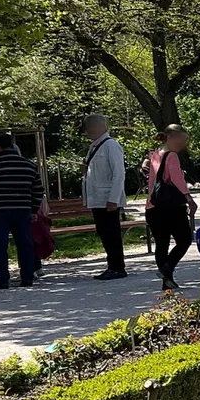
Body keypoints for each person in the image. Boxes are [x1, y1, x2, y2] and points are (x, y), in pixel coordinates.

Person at [0, 133, 47, 289]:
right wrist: (33, 209)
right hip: (22, 211)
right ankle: (27, 277)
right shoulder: (28, 165)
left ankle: (2, 280)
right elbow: (38, 190)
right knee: (25, 244)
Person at [145, 124, 196, 291]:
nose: (183, 144)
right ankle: (167, 270)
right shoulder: (171, 155)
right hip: (171, 207)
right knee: (184, 240)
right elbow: (176, 179)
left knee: (162, 243)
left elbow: (152, 182)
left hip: (153, 206)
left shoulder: (154, 155)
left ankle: (167, 280)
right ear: (171, 138)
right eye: (182, 139)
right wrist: (189, 198)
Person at [81, 113, 129, 280]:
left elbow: (119, 174)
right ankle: (112, 266)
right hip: (97, 199)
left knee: (112, 233)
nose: (87, 131)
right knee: (104, 233)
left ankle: (118, 267)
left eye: (90, 126)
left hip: (107, 199)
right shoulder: (95, 146)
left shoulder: (111, 146)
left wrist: (113, 199)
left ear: (99, 127)